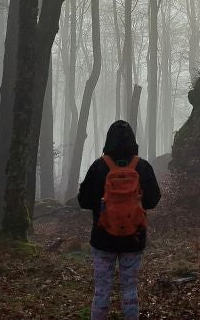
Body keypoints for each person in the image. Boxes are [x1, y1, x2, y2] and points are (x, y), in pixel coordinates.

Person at [78, 120, 161, 320]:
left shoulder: (99, 166)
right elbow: (153, 200)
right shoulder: (142, 166)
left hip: (102, 237)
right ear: (133, 140)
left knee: (101, 291)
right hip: (133, 238)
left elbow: (83, 200)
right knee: (130, 290)